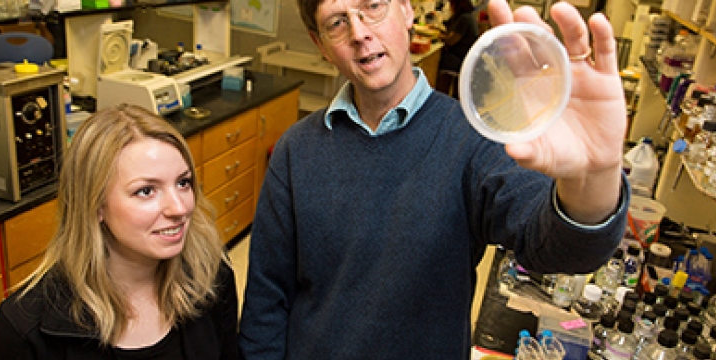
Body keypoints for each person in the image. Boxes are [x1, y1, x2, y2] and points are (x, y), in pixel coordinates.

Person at [238, 0, 631, 357]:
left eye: (373, 6)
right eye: (337, 23)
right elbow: (266, 300)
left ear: (407, 10)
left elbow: (560, 248)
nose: (359, 33)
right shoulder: (297, 150)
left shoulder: (475, 140)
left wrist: (594, 174)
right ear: (320, 44)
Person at [0, 104, 238, 360]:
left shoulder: (210, 279)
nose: (180, 207)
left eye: (183, 183)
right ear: (95, 205)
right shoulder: (25, 328)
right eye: (146, 191)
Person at [433, 0, 479, 98]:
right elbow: (448, 26)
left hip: (460, 58)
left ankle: (440, 96)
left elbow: (451, 40)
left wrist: (438, 36)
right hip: (462, 56)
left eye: (451, 4)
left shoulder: (465, 18)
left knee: (441, 62)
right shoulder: (462, 16)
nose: (450, 7)